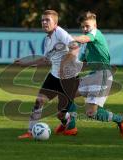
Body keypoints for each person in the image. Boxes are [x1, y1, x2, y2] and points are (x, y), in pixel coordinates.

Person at [60, 11, 123, 138]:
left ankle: (121, 119)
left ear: (95, 25)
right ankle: (70, 126)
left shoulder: (95, 34)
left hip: (103, 75)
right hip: (93, 75)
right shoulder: (86, 47)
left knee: (91, 113)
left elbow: (85, 38)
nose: (85, 29)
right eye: (82, 27)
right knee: (66, 94)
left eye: (87, 26)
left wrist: (70, 38)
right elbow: (82, 64)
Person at [15, 10, 79, 139]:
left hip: (69, 79)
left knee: (60, 114)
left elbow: (75, 47)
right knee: (39, 101)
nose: (44, 22)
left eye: (47, 20)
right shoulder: (47, 39)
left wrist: (63, 65)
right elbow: (45, 60)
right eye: (42, 20)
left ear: (55, 23)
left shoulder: (60, 33)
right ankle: (30, 131)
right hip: (54, 76)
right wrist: (26, 63)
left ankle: (68, 120)